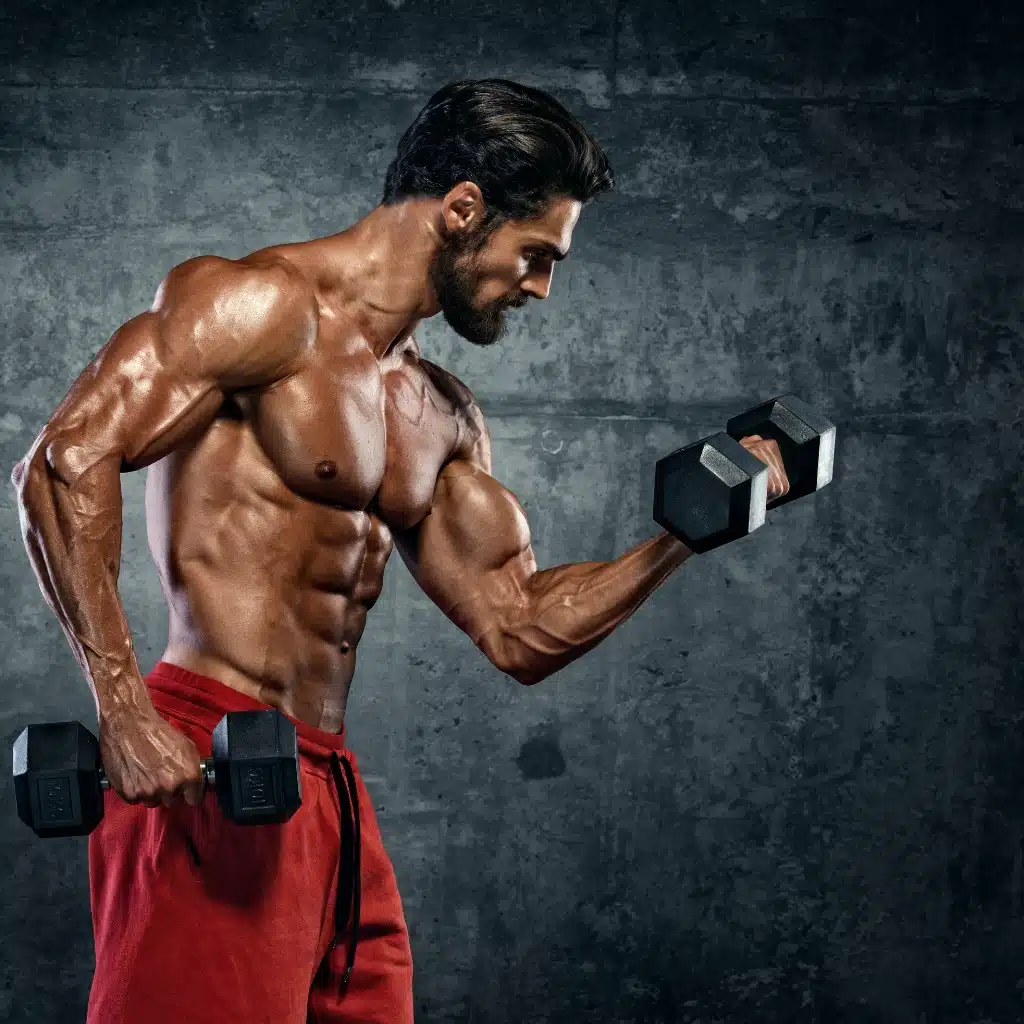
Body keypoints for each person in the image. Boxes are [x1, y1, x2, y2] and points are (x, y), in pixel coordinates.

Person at [11, 79, 789, 1023]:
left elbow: (521, 626)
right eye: (537, 253)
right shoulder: (258, 306)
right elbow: (64, 461)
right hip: (207, 764)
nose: (542, 286)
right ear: (464, 210)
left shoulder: (442, 412)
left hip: (325, 791)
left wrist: (688, 533)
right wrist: (125, 714)